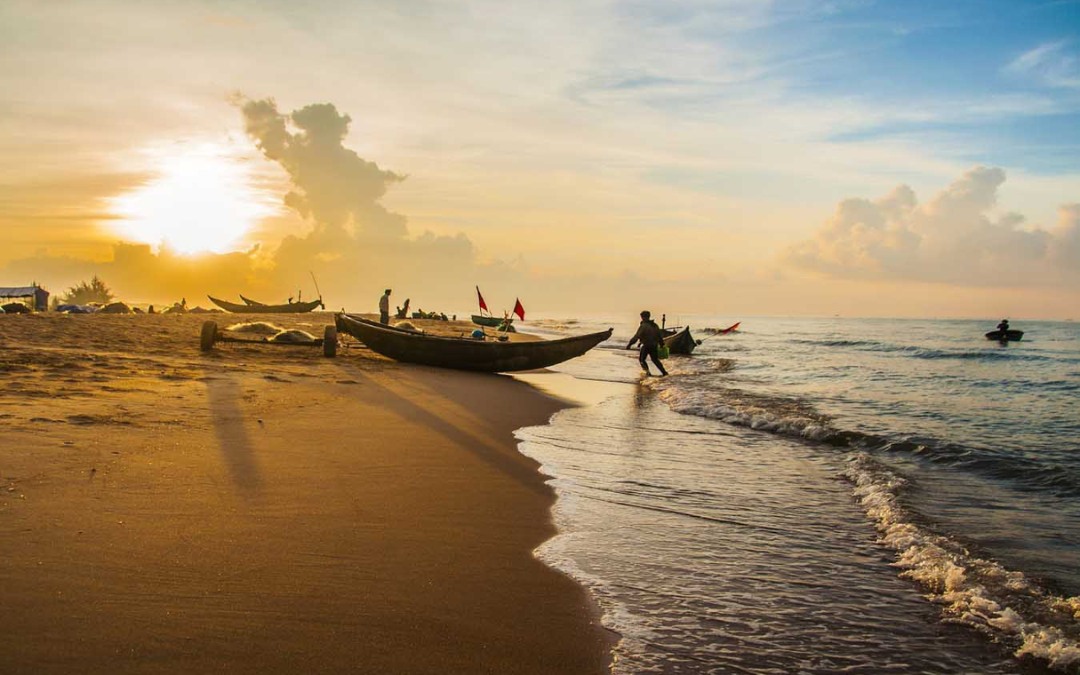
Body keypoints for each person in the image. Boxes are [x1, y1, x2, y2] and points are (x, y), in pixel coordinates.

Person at [626, 310, 668, 376]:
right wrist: (661, 344)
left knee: (642, 360)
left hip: (646, 345)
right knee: (655, 360)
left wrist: (629, 344)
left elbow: (637, 336)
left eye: (642, 317)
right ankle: (664, 372)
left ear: (644, 317)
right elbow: (659, 336)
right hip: (654, 345)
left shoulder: (644, 326)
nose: (642, 318)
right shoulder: (654, 325)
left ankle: (648, 373)